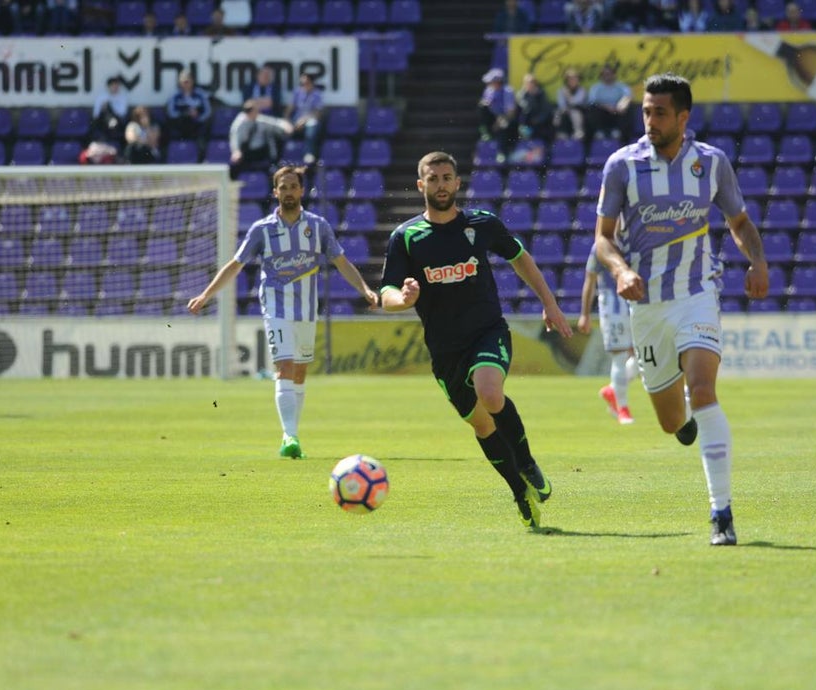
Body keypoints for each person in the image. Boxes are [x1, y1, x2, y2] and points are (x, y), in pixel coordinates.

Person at [594, 72, 770, 546]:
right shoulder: (622, 166)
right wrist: (620, 272)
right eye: (646, 111)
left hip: (697, 292)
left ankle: (722, 512)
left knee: (703, 389)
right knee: (672, 420)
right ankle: (686, 422)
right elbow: (603, 239)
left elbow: (739, 222)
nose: (650, 120)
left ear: (683, 116)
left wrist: (757, 261)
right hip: (646, 305)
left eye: (660, 112)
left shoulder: (710, 163)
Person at [379, 151, 573, 529]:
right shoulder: (405, 237)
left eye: (446, 177)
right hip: (445, 350)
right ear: (421, 185)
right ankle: (520, 492)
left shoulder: (481, 224)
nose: (440, 185)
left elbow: (521, 258)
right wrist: (401, 300)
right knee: (482, 425)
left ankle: (528, 463)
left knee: (490, 393)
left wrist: (549, 304)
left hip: (487, 331)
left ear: (457, 183)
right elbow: (385, 289)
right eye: (432, 179)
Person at [187, 165, 378, 459]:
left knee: (299, 372)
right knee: (285, 367)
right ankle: (290, 436)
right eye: (283, 187)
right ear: (275, 192)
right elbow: (235, 265)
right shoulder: (262, 230)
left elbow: (341, 262)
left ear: (301, 190)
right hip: (275, 305)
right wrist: (205, 294)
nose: (288, 192)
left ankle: (293, 433)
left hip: (305, 309)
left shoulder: (318, 227)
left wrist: (364, 289)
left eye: (293, 186)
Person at [578, 245, 638, 425]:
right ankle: (622, 409)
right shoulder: (600, 247)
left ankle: (613, 390)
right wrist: (585, 314)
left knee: (643, 357)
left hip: (638, 304)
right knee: (620, 356)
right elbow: (590, 278)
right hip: (613, 307)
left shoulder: (636, 237)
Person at [228, 99, 293, 178]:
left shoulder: (257, 118)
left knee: (272, 133)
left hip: (260, 151)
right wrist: (236, 151)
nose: (257, 112)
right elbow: (234, 136)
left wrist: (284, 124)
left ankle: (273, 170)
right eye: (255, 110)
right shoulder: (239, 122)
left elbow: (273, 121)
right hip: (245, 152)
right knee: (234, 165)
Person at [477, 67, 518, 162]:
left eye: (492, 81)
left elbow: (510, 112)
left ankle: (502, 152)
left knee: (504, 126)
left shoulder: (508, 91)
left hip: (506, 121)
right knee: (482, 106)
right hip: (492, 120)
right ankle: (486, 132)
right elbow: (486, 106)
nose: (490, 83)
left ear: (498, 82)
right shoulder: (488, 90)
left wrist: (499, 122)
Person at [284, 73, 324, 165]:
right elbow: (290, 107)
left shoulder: (317, 94)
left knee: (311, 127)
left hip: (310, 120)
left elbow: (317, 113)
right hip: (296, 120)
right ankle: (284, 155)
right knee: (283, 129)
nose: (303, 86)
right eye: (301, 84)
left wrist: (304, 120)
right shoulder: (297, 92)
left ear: (311, 83)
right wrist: (286, 120)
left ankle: (308, 153)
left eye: (306, 83)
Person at [587, 65, 633, 142]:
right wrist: (607, 107)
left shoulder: (621, 86)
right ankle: (599, 131)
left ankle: (619, 132)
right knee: (593, 108)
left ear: (614, 75)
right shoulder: (596, 87)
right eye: (604, 74)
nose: (607, 76)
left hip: (617, 111)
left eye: (609, 74)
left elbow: (627, 96)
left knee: (629, 108)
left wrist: (622, 105)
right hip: (602, 111)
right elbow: (592, 100)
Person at [166, 70, 212, 143]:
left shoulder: (200, 94)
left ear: (192, 81)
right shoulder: (174, 96)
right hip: (180, 125)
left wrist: (198, 117)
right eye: (184, 81)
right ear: (180, 82)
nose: (186, 84)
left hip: (197, 126)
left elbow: (207, 112)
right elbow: (171, 113)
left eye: (188, 81)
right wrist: (185, 113)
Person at [516, 73, 555, 143]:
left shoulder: (541, 94)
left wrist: (538, 120)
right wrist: (531, 96)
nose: (529, 85)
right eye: (527, 83)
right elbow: (525, 109)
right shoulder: (521, 94)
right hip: (526, 123)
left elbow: (545, 110)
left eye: (531, 83)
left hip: (540, 122)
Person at [91, 75, 129, 145]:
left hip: (118, 121)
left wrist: (111, 107)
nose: (115, 87)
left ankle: (111, 123)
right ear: (108, 86)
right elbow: (96, 114)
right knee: (105, 110)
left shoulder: (122, 97)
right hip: (103, 122)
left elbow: (122, 112)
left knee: (109, 108)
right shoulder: (102, 97)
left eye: (116, 85)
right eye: (113, 85)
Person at [555, 67, 588, 141]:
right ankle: (561, 132)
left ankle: (578, 131)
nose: (573, 81)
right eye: (570, 79)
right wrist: (566, 108)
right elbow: (561, 103)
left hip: (578, 109)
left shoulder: (582, 90)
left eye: (575, 79)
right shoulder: (561, 90)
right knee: (558, 113)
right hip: (565, 110)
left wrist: (568, 96)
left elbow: (577, 102)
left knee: (574, 113)